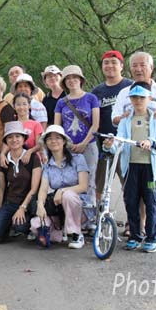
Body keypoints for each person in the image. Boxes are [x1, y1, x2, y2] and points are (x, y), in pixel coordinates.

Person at [111, 52, 156, 247]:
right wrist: (123, 117)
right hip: (131, 157)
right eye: (134, 65)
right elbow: (115, 118)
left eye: (142, 65)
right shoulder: (125, 92)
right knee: (133, 195)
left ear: (151, 67)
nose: (138, 69)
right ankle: (136, 231)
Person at [103, 83, 156, 253]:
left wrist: (151, 142)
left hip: (150, 170)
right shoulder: (125, 119)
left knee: (151, 202)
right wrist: (109, 145)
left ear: (149, 99)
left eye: (141, 97)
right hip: (131, 167)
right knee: (131, 201)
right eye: (134, 97)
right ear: (130, 99)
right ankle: (135, 236)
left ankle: (153, 238)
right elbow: (119, 142)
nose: (138, 100)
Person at [91, 50, 133, 234]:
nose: (109, 66)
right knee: (99, 186)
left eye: (114, 63)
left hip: (126, 145)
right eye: (106, 63)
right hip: (104, 146)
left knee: (129, 186)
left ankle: (133, 223)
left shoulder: (130, 87)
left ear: (122, 66)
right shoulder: (97, 91)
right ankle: (100, 219)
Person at [54, 65, 100, 218]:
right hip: (67, 146)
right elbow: (57, 127)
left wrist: (84, 143)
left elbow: (95, 124)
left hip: (89, 145)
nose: (72, 80)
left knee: (90, 181)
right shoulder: (61, 102)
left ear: (81, 79)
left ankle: (90, 217)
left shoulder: (91, 98)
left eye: (75, 77)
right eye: (68, 78)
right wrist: (66, 144)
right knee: (70, 181)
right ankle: (73, 218)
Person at [32, 125, 89, 249]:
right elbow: (43, 189)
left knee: (68, 196)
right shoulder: (47, 166)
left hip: (79, 205)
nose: (53, 141)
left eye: (57, 138)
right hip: (59, 208)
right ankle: (60, 231)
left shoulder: (78, 159)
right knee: (36, 225)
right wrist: (40, 205)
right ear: (46, 143)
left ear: (64, 141)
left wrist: (62, 191)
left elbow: (84, 186)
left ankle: (76, 234)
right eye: (50, 139)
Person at [0, 121, 41, 244]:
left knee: (20, 227)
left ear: (23, 139)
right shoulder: (4, 161)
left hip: (27, 203)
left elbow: (34, 189)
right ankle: (7, 224)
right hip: (10, 202)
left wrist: (22, 207)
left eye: (17, 136)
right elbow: (1, 188)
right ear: (6, 141)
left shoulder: (33, 158)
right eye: (10, 137)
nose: (14, 140)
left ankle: (25, 223)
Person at [12, 93, 43, 162]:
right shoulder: (12, 125)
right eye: (18, 104)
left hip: (33, 159)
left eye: (24, 104)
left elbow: (39, 145)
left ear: (29, 106)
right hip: (15, 159)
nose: (21, 107)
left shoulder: (36, 124)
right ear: (14, 106)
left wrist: (29, 152)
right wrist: (2, 154)